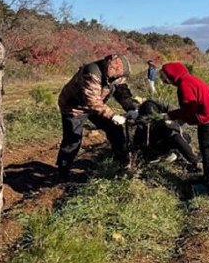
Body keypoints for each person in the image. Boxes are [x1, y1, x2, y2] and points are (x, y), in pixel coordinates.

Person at [56, 53, 138, 181]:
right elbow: (92, 101)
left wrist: (131, 108)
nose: (118, 78)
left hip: (96, 105)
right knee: (73, 139)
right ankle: (63, 172)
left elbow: (122, 91)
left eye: (119, 76)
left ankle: (120, 161)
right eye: (116, 75)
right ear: (110, 68)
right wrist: (112, 115)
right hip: (74, 107)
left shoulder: (117, 74)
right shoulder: (91, 72)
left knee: (115, 129)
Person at [159, 62, 209, 188]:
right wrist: (181, 120)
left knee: (206, 148)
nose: (164, 81)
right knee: (207, 148)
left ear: (171, 75)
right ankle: (207, 177)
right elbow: (190, 109)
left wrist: (170, 116)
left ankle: (207, 183)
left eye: (165, 78)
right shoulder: (189, 79)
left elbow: (189, 109)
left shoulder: (184, 85)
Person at [132, 99, 199, 169]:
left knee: (184, 138)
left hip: (161, 142)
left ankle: (182, 157)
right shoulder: (148, 122)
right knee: (180, 138)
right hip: (157, 145)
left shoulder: (145, 120)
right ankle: (192, 161)